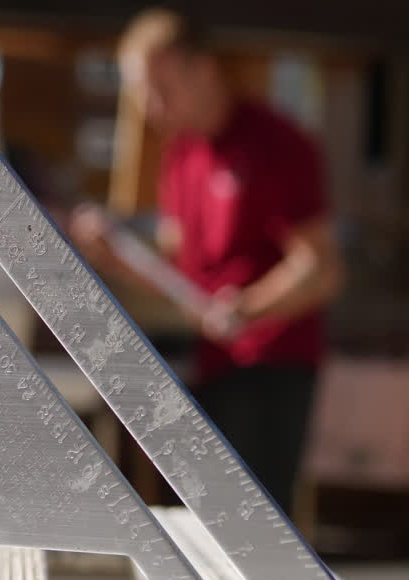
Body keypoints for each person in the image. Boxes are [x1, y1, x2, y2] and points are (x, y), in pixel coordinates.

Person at [68, 8, 344, 514]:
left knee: (260, 526)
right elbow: (180, 279)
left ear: (205, 70)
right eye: (141, 93)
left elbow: (320, 269)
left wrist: (250, 308)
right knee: (208, 520)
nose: (151, 107)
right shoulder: (181, 156)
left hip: (272, 366)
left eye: (161, 87)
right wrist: (114, 256)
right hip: (211, 363)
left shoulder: (278, 143)